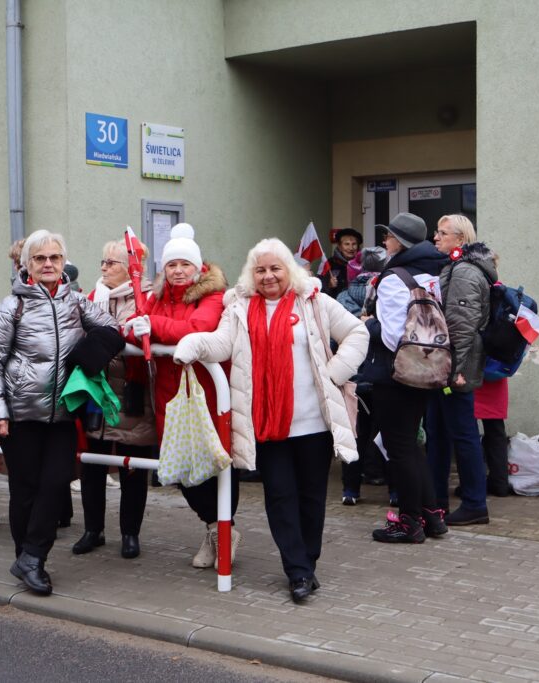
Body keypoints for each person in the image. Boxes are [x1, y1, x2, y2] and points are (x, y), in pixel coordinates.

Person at [175, 238, 368, 602]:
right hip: (267, 425)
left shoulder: (314, 302)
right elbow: (221, 345)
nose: (268, 276)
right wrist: (194, 345)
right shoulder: (240, 307)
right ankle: (296, 570)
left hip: (314, 424)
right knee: (280, 496)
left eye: (275, 268)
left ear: (288, 270)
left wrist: (336, 372)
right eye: (260, 270)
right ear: (252, 273)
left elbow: (357, 332)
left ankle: (307, 563)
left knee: (311, 497)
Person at [0, 229, 119, 596]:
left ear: (63, 263)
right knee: (24, 490)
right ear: (27, 264)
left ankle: (31, 557)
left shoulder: (76, 302)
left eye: (54, 258)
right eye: (40, 258)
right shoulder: (13, 305)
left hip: (61, 414)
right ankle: (28, 559)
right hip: (19, 413)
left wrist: (86, 358)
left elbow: (111, 329)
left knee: (56, 483)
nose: (47, 264)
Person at [124, 222, 240, 570]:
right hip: (168, 395)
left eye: (184, 264)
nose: (177, 271)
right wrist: (132, 328)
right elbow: (135, 329)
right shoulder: (155, 298)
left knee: (213, 464)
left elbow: (197, 329)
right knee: (180, 468)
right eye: (171, 264)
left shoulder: (214, 296)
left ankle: (222, 529)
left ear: (198, 267)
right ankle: (214, 526)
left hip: (207, 395)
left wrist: (152, 326)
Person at [360, 213, 449, 543]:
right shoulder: (435, 272)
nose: (385, 242)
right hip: (428, 368)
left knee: (399, 448)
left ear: (401, 241)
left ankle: (409, 522)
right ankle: (431, 515)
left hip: (395, 372)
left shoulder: (394, 277)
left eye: (389, 237)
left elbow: (393, 336)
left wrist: (367, 325)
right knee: (411, 444)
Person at [72, 239, 158, 560]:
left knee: (132, 467)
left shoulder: (147, 298)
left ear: (131, 268)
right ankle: (92, 529)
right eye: (103, 261)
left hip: (134, 391)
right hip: (98, 389)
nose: (104, 268)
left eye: (112, 263)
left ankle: (129, 534)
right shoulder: (94, 297)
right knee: (92, 461)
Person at [425, 214, 494, 526]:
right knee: (439, 433)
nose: (436, 238)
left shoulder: (465, 271)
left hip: (455, 367)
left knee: (463, 435)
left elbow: (461, 327)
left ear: (460, 240)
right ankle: (437, 501)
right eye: (436, 232)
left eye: (442, 233)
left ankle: (475, 504)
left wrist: (456, 371)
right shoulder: (456, 267)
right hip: (447, 366)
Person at [336, 246, 393, 505]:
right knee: (389, 436)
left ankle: (350, 491)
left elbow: (333, 341)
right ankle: (394, 492)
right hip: (383, 375)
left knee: (355, 436)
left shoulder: (343, 298)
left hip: (353, 379)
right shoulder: (387, 294)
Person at [475, 378, 510, 497]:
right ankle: (500, 484)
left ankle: (473, 484)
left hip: (471, 379)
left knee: (468, 435)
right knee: (496, 434)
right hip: (495, 377)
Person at [323, 228, 362, 298]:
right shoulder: (330, 263)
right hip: (336, 306)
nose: (351, 248)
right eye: (347, 244)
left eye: (354, 244)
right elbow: (320, 287)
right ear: (339, 246)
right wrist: (329, 285)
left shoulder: (364, 263)